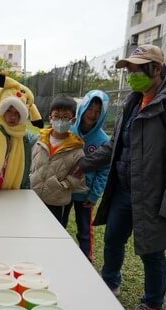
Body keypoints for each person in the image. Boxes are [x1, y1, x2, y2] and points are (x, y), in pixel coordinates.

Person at [75, 44, 166, 310]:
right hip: (125, 188)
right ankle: (109, 282)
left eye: (137, 69)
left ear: (156, 69)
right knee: (113, 239)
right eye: (129, 70)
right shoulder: (134, 101)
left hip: (154, 194)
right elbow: (116, 145)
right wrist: (84, 162)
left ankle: (154, 304)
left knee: (151, 249)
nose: (131, 75)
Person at [67, 90, 110, 262]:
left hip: (85, 193)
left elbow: (104, 170)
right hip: (64, 189)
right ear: (83, 107)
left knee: (84, 230)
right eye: (90, 108)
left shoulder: (103, 140)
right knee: (58, 226)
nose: (92, 114)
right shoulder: (69, 130)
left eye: (98, 111)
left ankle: (86, 259)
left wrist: (94, 195)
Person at [30, 96, 87, 227]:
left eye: (65, 117)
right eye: (56, 116)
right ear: (50, 118)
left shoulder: (77, 149)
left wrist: (64, 185)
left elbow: (78, 175)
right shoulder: (39, 140)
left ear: (73, 120)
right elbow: (30, 161)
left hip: (57, 201)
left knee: (52, 232)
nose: (60, 121)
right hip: (33, 196)